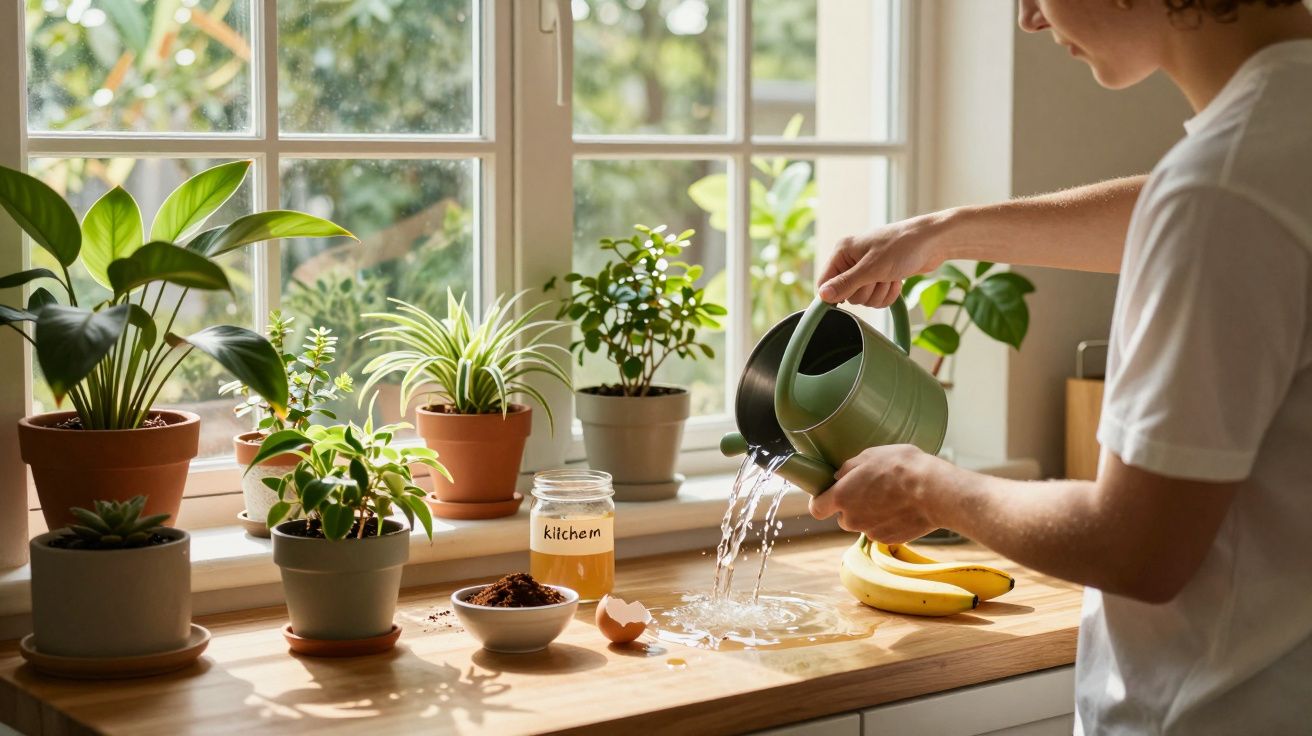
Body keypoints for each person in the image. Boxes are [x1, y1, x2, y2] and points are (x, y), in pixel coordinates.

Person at [807, 0, 1312, 733]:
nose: (1027, 20)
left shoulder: (1222, 186)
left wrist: (929, 487)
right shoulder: (1276, 135)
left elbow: (1135, 547)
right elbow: (1188, 213)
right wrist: (946, 233)